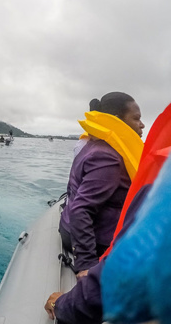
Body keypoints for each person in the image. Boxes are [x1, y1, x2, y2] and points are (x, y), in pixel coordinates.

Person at [59, 92, 145, 279]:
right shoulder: (108, 158)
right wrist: (87, 265)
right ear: (117, 121)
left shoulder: (92, 146)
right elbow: (81, 209)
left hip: (72, 227)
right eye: (136, 118)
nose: (142, 125)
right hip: (95, 241)